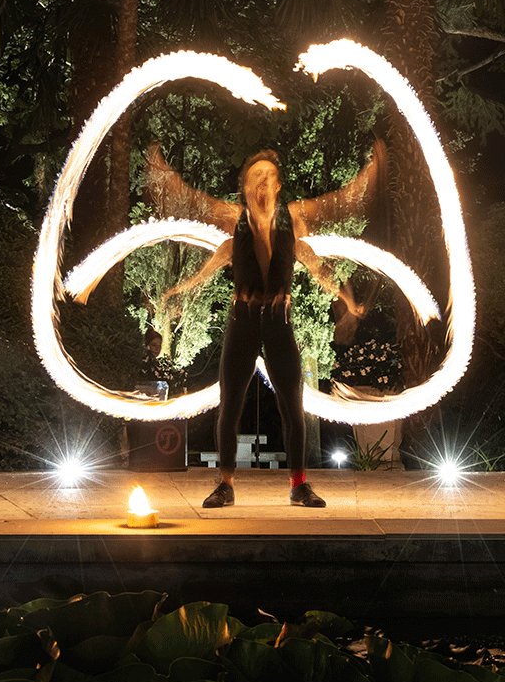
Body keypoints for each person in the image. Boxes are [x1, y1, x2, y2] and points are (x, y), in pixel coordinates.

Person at [157, 146, 379, 509]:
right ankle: (225, 484)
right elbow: (203, 260)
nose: (261, 182)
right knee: (230, 405)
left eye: (268, 176)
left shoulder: (292, 227)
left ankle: (299, 486)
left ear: (278, 186)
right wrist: (179, 291)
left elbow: (319, 266)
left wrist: (347, 300)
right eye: (254, 176)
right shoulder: (234, 225)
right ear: (244, 187)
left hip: (279, 325)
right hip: (241, 325)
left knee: (293, 406)